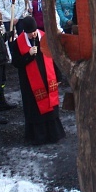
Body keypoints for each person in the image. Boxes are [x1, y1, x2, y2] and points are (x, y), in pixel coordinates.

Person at [11, 16, 66, 145]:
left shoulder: (45, 38)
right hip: (29, 83)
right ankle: (39, 136)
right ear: (25, 32)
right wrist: (28, 55)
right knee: (34, 108)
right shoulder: (18, 43)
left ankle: (54, 134)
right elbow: (16, 63)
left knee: (50, 107)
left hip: (48, 80)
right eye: (30, 33)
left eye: (34, 31)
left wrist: (58, 77)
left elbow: (55, 58)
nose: (33, 34)